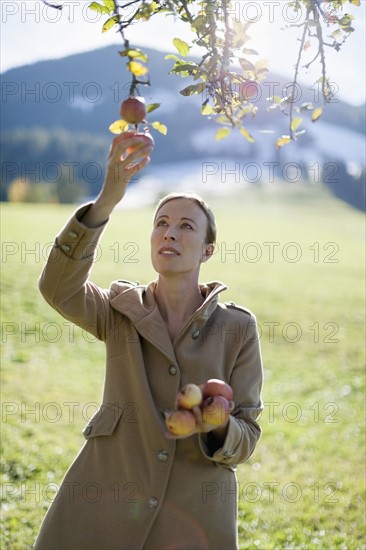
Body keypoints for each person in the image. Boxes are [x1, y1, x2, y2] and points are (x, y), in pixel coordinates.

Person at [34, 133, 264, 550]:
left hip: (192, 519)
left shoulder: (238, 328)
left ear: (207, 250)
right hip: (103, 502)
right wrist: (105, 201)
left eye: (185, 226)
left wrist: (219, 425)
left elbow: (246, 434)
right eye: (161, 224)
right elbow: (58, 289)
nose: (169, 234)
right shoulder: (121, 308)